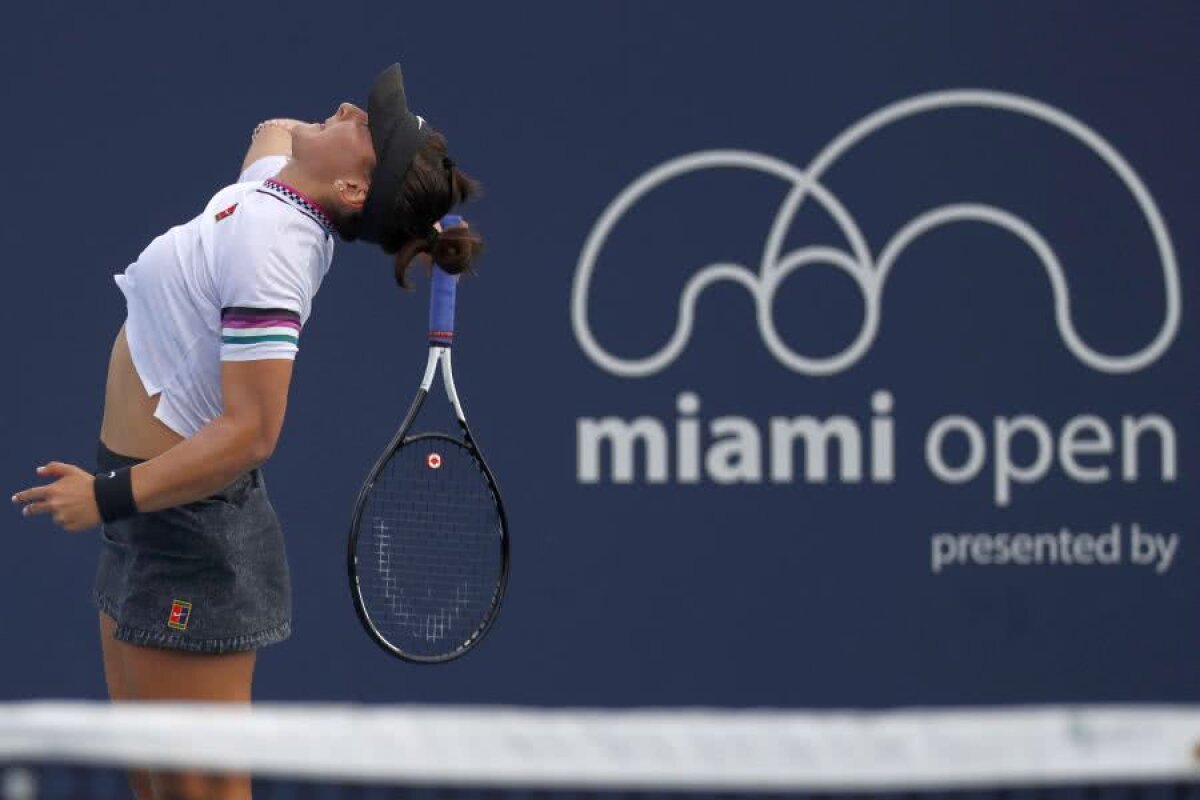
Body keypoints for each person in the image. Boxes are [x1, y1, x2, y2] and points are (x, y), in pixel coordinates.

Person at [10, 64, 482, 800]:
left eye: (369, 127)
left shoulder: (275, 252)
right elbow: (276, 128)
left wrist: (106, 498)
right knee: (157, 783)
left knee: (204, 791)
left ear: (355, 190)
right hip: (147, 520)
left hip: (186, 535)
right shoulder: (273, 191)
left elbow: (252, 433)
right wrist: (413, 196)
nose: (350, 107)